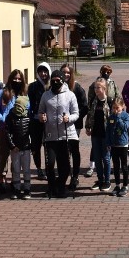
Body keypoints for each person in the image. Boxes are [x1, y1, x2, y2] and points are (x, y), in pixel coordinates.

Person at [38, 70, 78, 199]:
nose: (55, 83)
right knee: (50, 164)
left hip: (65, 134)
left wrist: (69, 118)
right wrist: (41, 117)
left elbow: (76, 113)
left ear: (62, 80)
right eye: (53, 80)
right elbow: (40, 112)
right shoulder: (45, 95)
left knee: (64, 165)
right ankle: (51, 187)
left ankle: (60, 186)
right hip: (50, 135)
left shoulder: (70, 95)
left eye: (58, 80)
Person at [84, 64, 120, 177]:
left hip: (107, 126)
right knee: (96, 150)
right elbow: (90, 104)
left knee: (106, 154)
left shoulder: (113, 84)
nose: (106, 73)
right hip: (96, 125)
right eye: (104, 71)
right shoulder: (94, 84)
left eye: (108, 71)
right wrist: (88, 125)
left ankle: (107, 176)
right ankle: (93, 167)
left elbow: (118, 98)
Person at [60, 63, 88, 191]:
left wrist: (74, 118)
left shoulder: (77, 88)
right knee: (64, 152)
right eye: (64, 72)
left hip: (74, 125)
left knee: (73, 150)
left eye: (68, 72)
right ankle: (65, 174)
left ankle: (75, 176)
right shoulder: (56, 87)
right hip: (60, 125)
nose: (66, 74)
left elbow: (84, 107)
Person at [85, 79, 113, 192]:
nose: (96, 90)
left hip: (106, 134)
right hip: (95, 133)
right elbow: (89, 114)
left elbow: (114, 117)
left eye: (98, 88)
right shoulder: (93, 101)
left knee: (106, 158)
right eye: (95, 87)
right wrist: (87, 127)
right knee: (97, 158)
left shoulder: (110, 101)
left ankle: (107, 181)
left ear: (104, 88)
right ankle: (100, 180)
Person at [5, 94, 33, 199]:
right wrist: (12, 146)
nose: (18, 107)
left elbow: (32, 132)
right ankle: (16, 188)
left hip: (26, 147)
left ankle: (27, 189)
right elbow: (7, 132)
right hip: (15, 148)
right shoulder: (11, 116)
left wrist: (32, 146)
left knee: (26, 169)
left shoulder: (28, 115)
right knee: (16, 169)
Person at [27, 63, 51, 180]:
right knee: (36, 146)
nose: (43, 74)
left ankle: (48, 168)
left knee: (48, 145)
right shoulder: (32, 86)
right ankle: (39, 169)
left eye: (45, 71)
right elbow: (29, 103)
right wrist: (32, 115)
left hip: (49, 121)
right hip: (36, 120)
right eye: (40, 71)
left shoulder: (51, 85)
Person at [105, 96, 129, 197]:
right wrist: (108, 143)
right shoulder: (110, 117)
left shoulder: (126, 116)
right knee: (116, 166)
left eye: (118, 108)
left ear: (122, 107)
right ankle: (117, 185)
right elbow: (108, 131)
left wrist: (118, 118)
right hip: (114, 145)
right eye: (114, 108)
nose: (115, 110)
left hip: (123, 144)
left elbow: (125, 127)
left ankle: (125, 185)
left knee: (124, 166)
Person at [0, 83, 15, 195]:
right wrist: (3, 119)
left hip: (16, 128)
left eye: (18, 79)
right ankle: (2, 178)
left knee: (16, 154)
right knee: (3, 154)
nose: (16, 80)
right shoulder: (1, 92)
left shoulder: (21, 93)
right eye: (14, 79)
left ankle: (15, 179)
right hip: (3, 127)